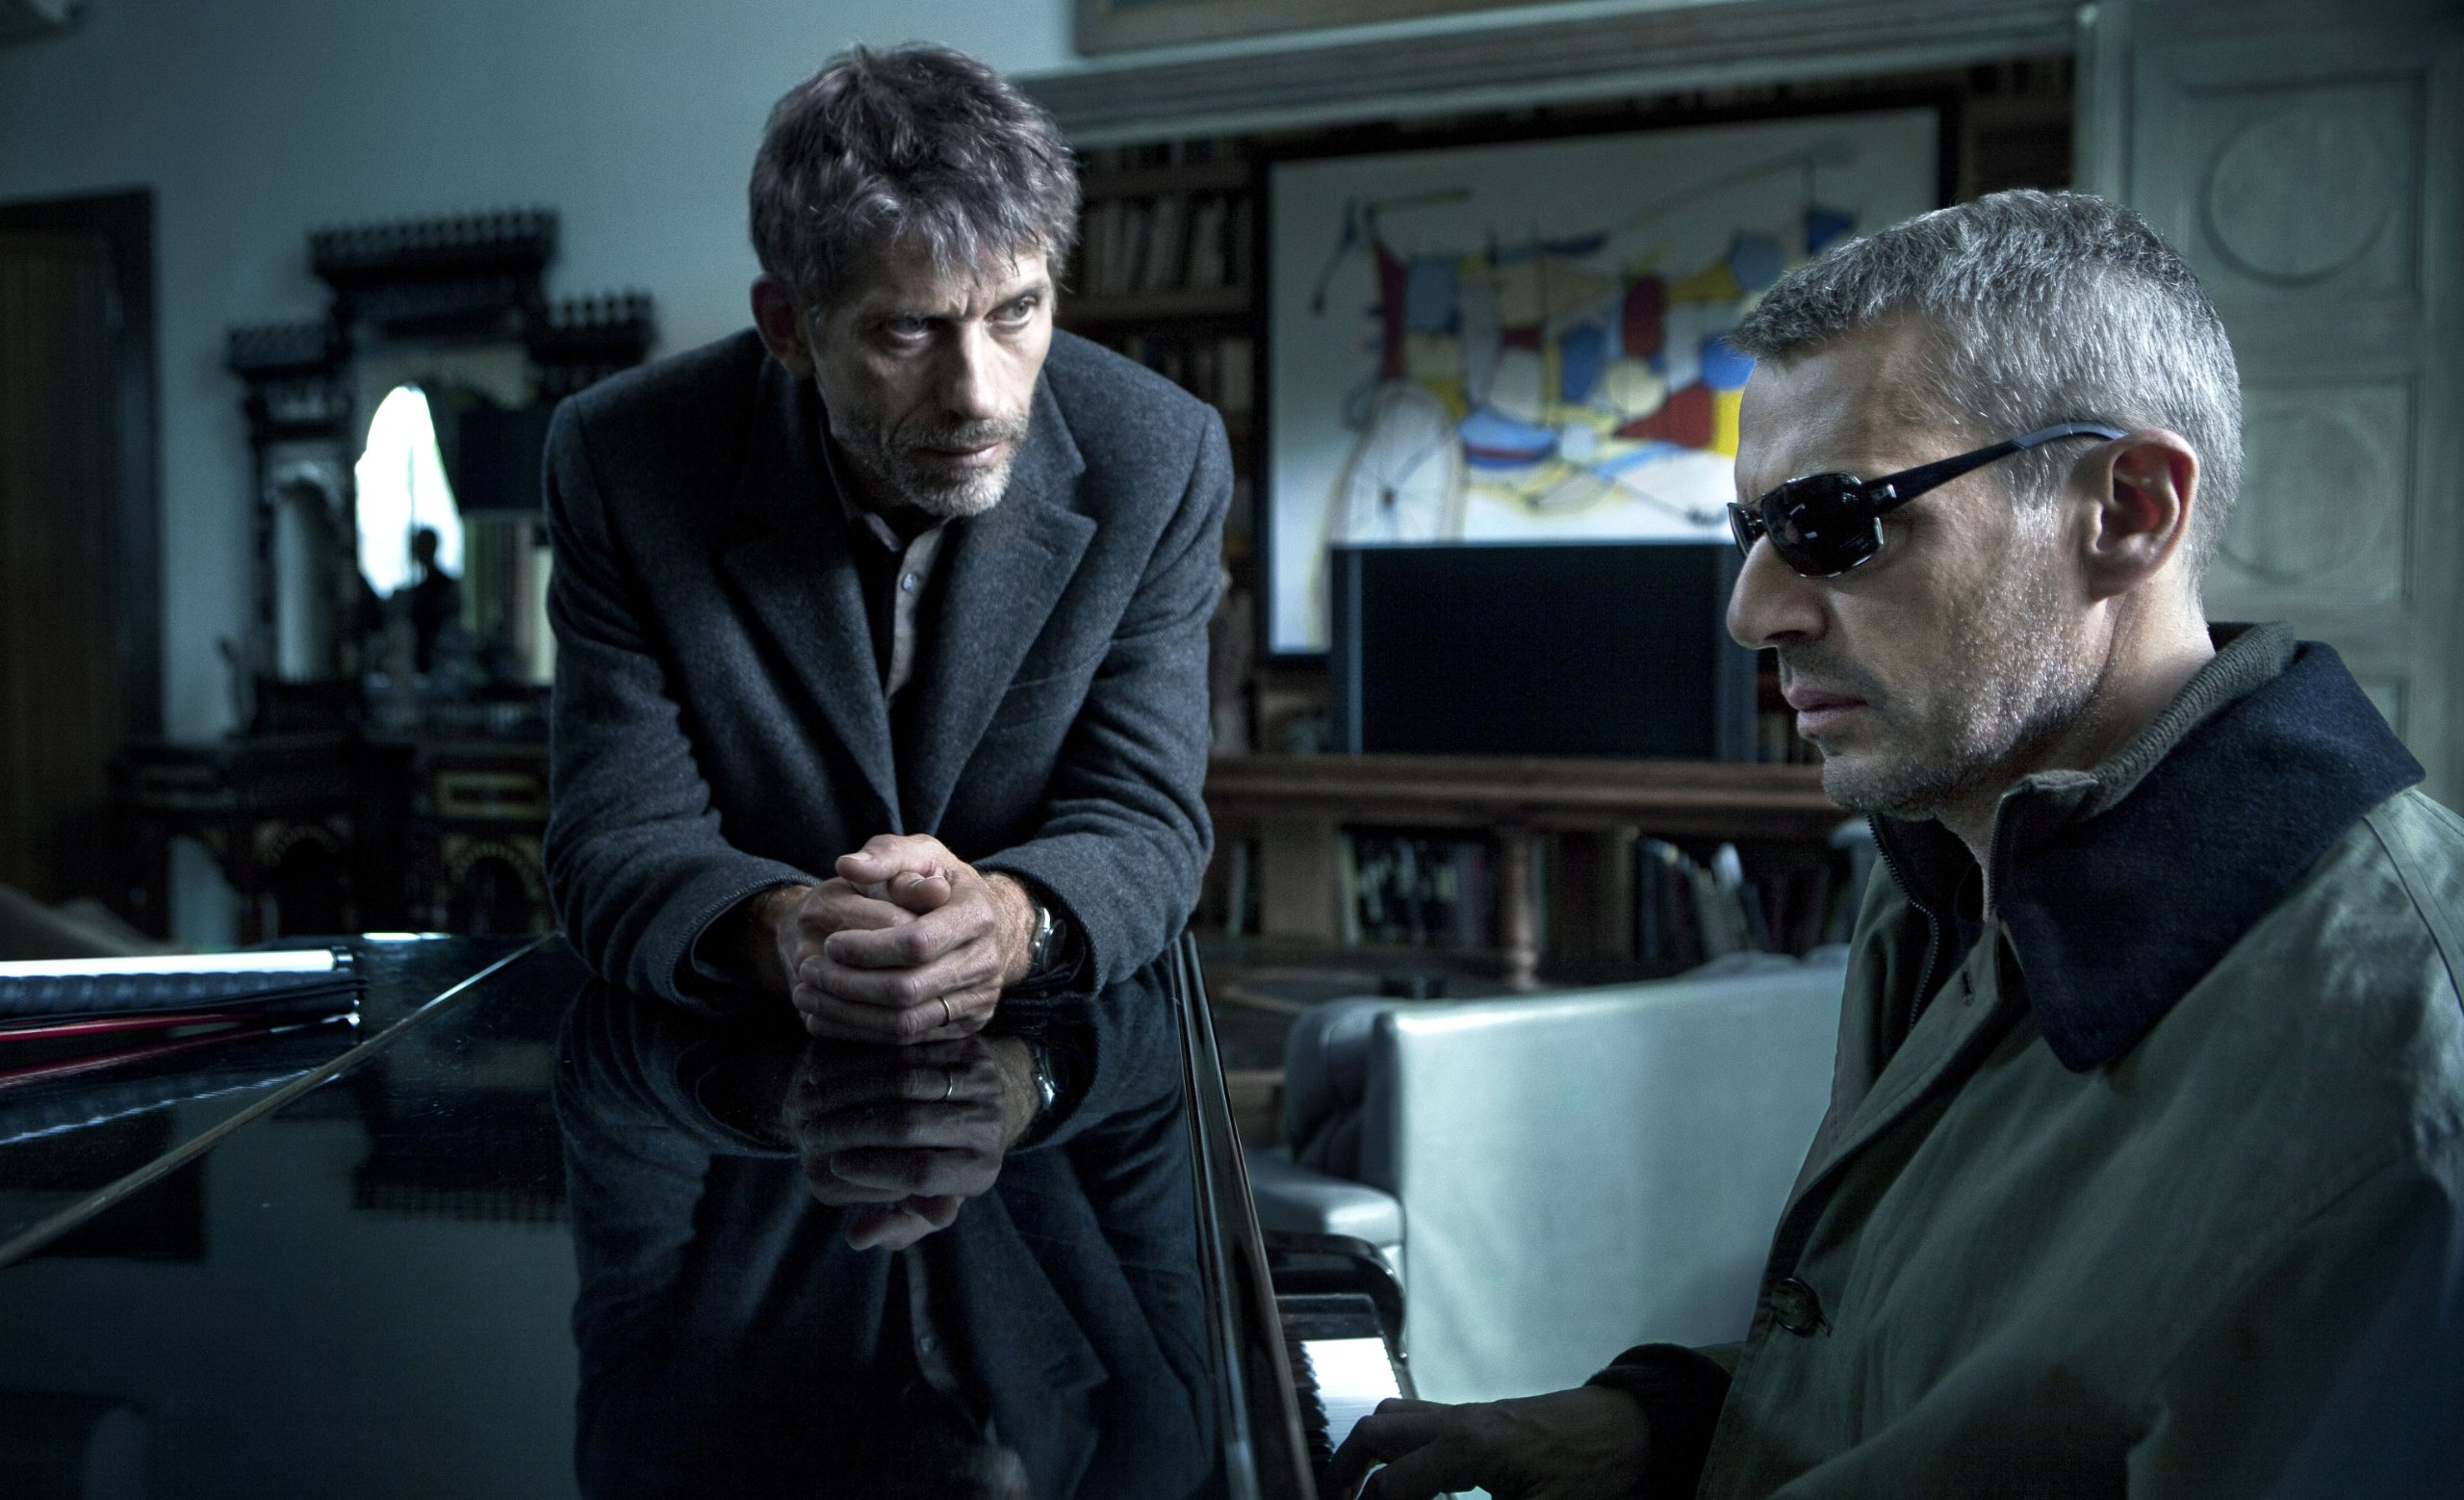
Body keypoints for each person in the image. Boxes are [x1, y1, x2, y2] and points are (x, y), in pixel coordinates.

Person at [1330, 190, 2464, 1497]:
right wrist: (1657, 1426)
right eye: (1752, 531)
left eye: (1833, 523)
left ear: (2128, 510)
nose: (1751, 611)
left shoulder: (2399, 1070)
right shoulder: (1943, 864)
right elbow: (1997, 1388)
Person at [542, 45, 1229, 1048]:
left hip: (1059, 1063)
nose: (979, 395)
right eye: (909, 331)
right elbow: (617, 839)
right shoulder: (620, 460)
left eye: (1016, 311)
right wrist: (784, 932)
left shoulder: (1161, 455)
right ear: (788, 327)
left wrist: (1010, 922)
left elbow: (1145, 822)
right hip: (730, 1063)